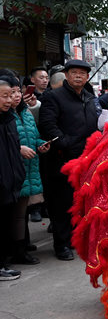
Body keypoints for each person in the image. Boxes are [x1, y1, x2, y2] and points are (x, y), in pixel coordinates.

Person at [38, 59, 99, 261]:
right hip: (62, 160)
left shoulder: (90, 98)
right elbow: (48, 124)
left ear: (88, 77)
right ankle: (61, 244)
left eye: (82, 73)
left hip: (87, 160)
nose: (78, 76)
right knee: (61, 204)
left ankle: (77, 241)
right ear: (66, 75)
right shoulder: (53, 97)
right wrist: (65, 143)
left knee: (81, 203)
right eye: (74, 72)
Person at [10, 78, 50, 265]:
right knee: (13, 214)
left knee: (21, 212)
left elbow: (32, 136)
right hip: (11, 169)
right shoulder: (5, 115)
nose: (17, 96)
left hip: (28, 168)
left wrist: (40, 144)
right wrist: (19, 149)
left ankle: (22, 246)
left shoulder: (25, 112)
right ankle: (15, 251)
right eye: (11, 93)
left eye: (19, 91)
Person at [0, 77, 26, 280]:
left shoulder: (8, 119)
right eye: (4, 96)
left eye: (11, 95)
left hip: (10, 181)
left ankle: (3, 264)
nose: (9, 100)